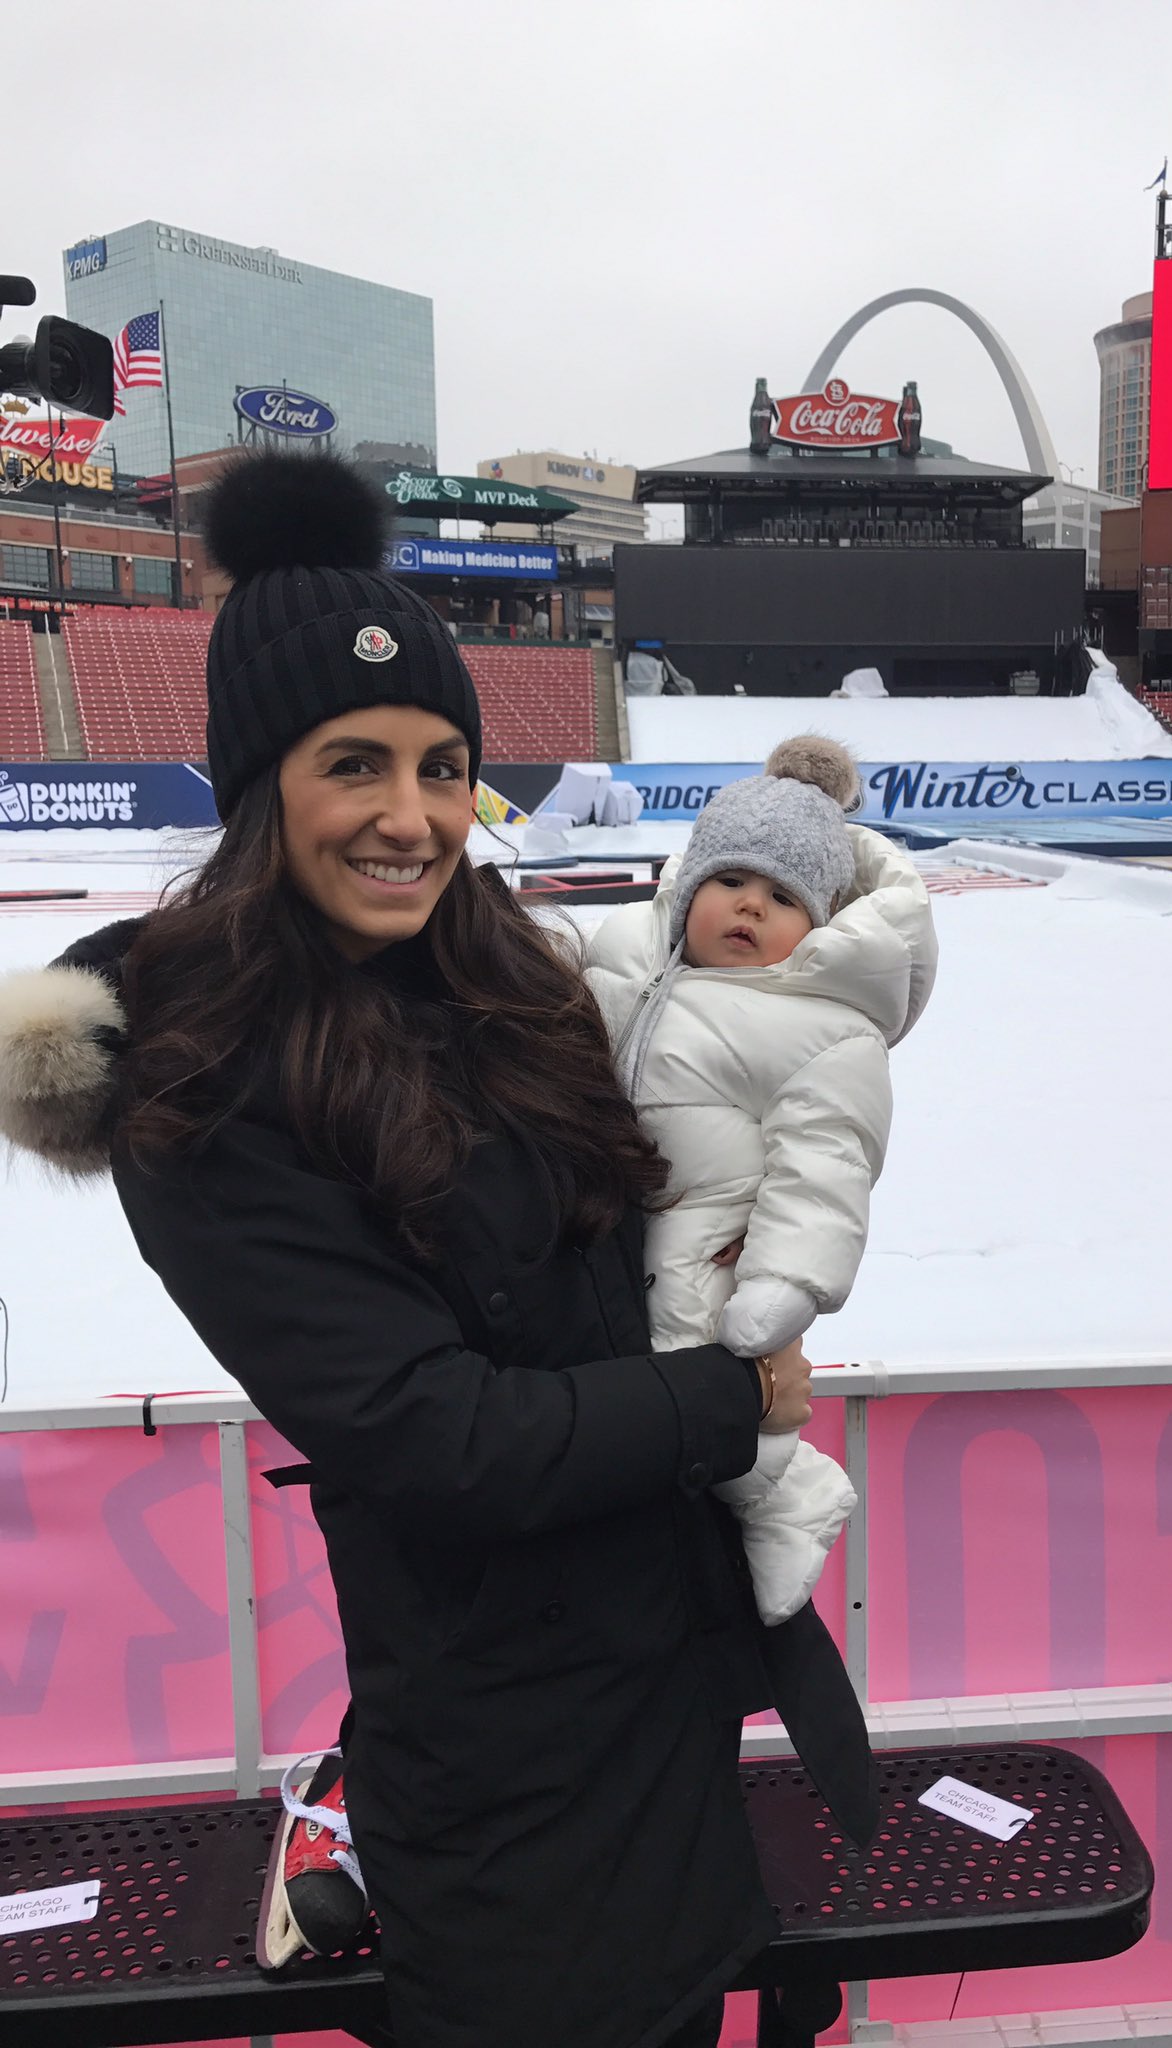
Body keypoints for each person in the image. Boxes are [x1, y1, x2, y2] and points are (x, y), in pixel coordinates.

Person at [0, 449, 874, 2048]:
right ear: (261, 782)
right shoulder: (199, 1081)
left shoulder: (518, 982)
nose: (412, 817)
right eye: (356, 765)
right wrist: (728, 1401)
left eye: (443, 766)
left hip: (663, 1696)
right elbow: (438, 1439)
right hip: (502, 1766)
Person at [585, 737, 937, 1625]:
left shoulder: (822, 1027)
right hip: (609, 1218)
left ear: (818, 928)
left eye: (782, 898)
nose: (750, 907)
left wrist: (783, 1281)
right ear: (687, 886)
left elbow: (827, 1161)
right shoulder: (629, 955)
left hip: (709, 1238)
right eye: (731, 882)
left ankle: (787, 1494)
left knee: (684, 1364)